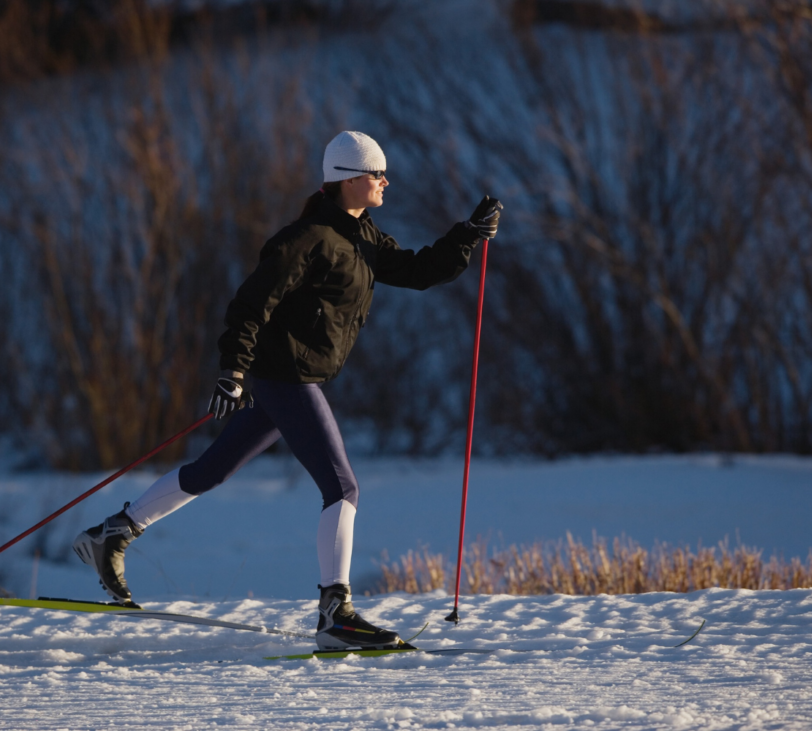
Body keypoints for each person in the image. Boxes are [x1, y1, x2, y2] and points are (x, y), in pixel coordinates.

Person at [73, 131, 503, 650]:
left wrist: (468, 234)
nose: (386, 181)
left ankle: (112, 533)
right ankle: (335, 615)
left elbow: (416, 270)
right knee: (342, 488)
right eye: (377, 174)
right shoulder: (305, 239)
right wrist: (233, 371)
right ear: (349, 180)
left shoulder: (362, 235)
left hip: (297, 376)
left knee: (211, 471)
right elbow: (251, 305)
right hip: (286, 377)